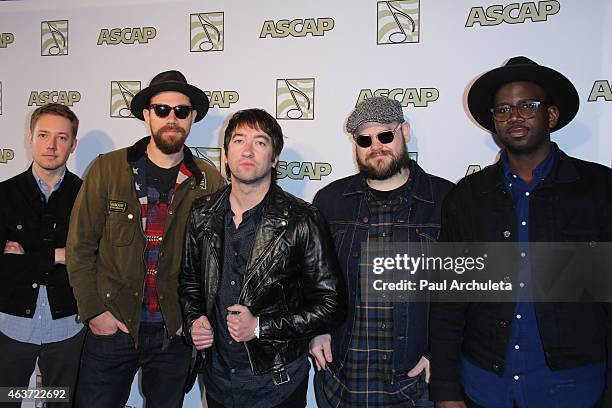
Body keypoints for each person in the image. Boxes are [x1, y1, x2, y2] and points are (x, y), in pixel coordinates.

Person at [429, 56, 612, 408]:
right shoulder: (466, 197)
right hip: (484, 385)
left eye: (528, 105)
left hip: (574, 387)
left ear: (552, 116)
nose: (515, 116)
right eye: (503, 109)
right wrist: (446, 392)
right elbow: (449, 303)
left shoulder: (599, 190)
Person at [66, 70, 224, 408]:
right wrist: (94, 312)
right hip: (112, 327)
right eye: (162, 109)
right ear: (147, 114)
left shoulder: (209, 181)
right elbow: (80, 247)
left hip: (174, 335)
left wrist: (194, 317)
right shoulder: (108, 169)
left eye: (181, 111)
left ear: (192, 117)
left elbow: (218, 260)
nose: (172, 118)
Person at [179, 108, 346, 408]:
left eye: (260, 142)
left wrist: (260, 325)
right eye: (239, 140)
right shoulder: (202, 213)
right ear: (226, 155)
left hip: (277, 385)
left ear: (274, 158)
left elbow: (331, 305)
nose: (247, 150)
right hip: (217, 380)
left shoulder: (302, 219)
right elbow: (190, 282)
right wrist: (194, 319)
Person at [309, 96, 453, 407]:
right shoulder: (330, 201)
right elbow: (311, 279)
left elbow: (462, 289)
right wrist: (316, 330)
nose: (376, 146)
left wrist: (439, 351)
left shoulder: (446, 200)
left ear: (406, 132)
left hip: (415, 380)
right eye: (364, 139)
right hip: (341, 379)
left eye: (385, 135)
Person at [0, 103, 83, 407]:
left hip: (68, 330)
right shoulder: (4, 195)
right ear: (30, 139)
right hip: (10, 328)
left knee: (60, 403)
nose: (51, 145)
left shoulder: (87, 197)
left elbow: (89, 261)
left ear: (73, 145)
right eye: (43, 135)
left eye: (62, 137)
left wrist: (23, 260)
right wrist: (57, 255)